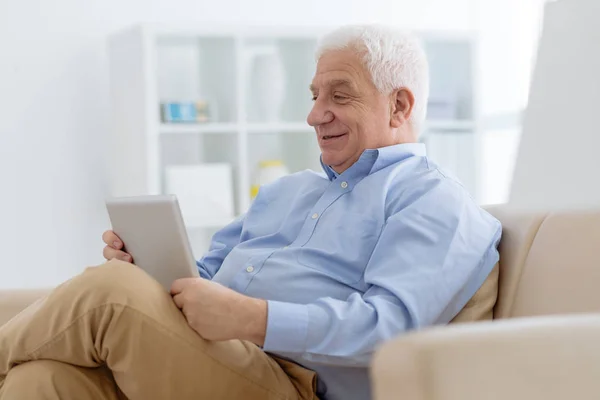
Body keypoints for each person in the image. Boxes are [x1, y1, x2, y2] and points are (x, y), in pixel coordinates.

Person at [0, 24, 501, 400]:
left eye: (339, 95)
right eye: (314, 96)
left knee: (112, 293)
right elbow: (203, 275)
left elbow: (390, 331)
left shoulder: (433, 200)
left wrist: (256, 319)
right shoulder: (286, 192)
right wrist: (147, 272)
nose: (314, 114)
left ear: (399, 106)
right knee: (39, 381)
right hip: (213, 356)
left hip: (294, 385)